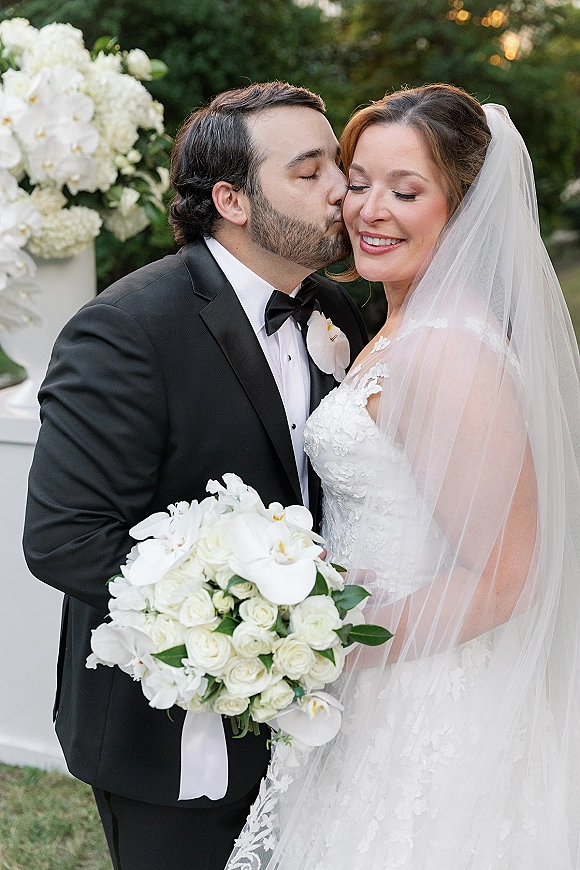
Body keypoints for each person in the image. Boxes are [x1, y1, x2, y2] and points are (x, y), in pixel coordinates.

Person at [226, 84, 580, 869]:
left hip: (427, 697)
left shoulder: (446, 352)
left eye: (406, 191)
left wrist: (330, 643)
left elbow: (503, 578)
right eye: (358, 182)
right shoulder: (395, 326)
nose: (369, 210)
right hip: (377, 675)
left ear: (465, 208)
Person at [22, 80, 368, 870]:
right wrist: (241, 624)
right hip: (173, 732)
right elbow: (65, 538)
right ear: (232, 200)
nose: (342, 191)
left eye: (338, 168)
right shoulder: (125, 330)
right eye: (311, 172)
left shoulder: (334, 313)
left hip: (317, 719)